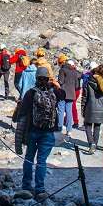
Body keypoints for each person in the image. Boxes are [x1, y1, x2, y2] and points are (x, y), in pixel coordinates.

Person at [12, 67, 65, 195]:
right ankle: (40, 188)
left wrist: (18, 141)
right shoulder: (54, 92)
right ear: (48, 78)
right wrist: (55, 84)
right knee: (42, 161)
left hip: (32, 131)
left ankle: (26, 185)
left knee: (29, 158)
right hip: (48, 132)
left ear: (36, 78)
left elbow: (22, 116)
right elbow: (63, 95)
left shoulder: (30, 93)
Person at [80, 65, 103, 154]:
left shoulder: (88, 81)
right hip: (102, 108)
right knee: (97, 127)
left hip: (90, 107)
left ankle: (92, 144)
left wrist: (82, 108)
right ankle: (95, 144)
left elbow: (84, 97)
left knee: (87, 126)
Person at [56, 58, 82, 138]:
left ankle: (59, 129)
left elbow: (60, 81)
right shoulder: (75, 72)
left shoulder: (62, 70)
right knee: (69, 112)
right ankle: (69, 130)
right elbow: (77, 86)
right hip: (71, 94)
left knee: (61, 110)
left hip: (63, 93)